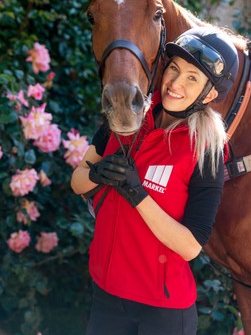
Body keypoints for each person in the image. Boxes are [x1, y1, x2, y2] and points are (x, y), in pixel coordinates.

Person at [71, 26, 239, 335]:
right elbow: (77, 181)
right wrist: (97, 174)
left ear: (210, 93)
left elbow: (191, 246)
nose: (176, 83)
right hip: (107, 293)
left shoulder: (206, 150)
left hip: (162, 311)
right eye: (174, 69)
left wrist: (137, 194)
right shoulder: (126, 116)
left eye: (192, 78)